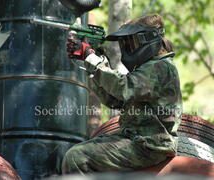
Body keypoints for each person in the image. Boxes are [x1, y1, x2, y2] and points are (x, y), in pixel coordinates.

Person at [62, 14, 182, 175]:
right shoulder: (150, 68)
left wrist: (91, 57)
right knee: (83, 149)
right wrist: (91, 61)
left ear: (147, 40)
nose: (127, 47)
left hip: (150, 145)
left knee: (76, 157)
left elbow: (123, 88)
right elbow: (114, 100)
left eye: (131, 42)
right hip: (136, 138)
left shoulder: (160, 67)